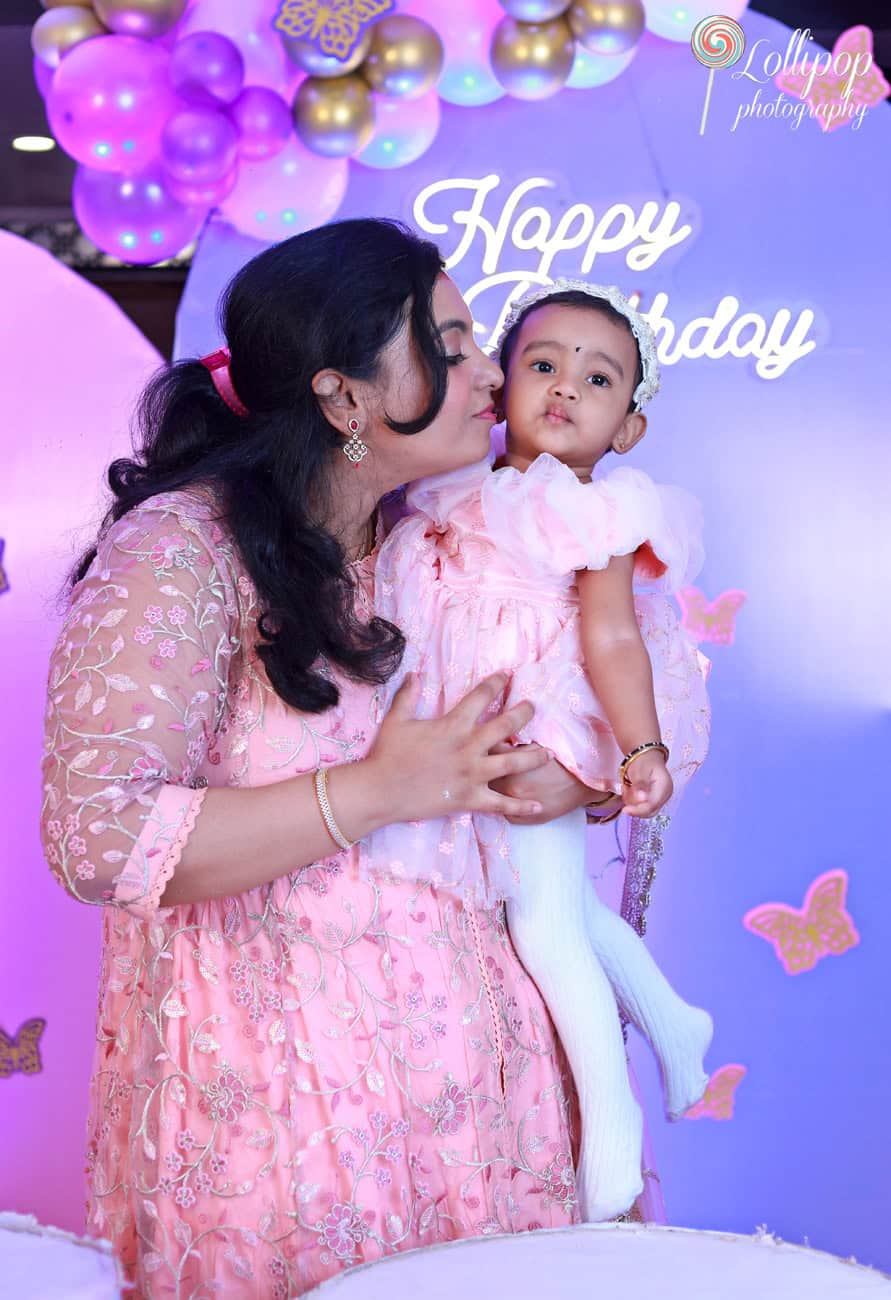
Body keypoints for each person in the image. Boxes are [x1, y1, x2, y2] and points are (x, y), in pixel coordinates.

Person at [39, 223, 656, 1300]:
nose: (489, 369)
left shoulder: (449, 535)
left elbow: (623, 676)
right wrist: (372, 792)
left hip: (486, 1117)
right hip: (290, 1134)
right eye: (452, 341)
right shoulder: (185, 552)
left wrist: (586, 773)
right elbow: (100, 837)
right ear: (344, 397)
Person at [364, 280, 713, 1222]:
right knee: (541, 899)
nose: (564, 388)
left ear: (627, 429)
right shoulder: (450, 488)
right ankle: (675, 1021)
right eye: (543, 365)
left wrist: (639, 746)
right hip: (462, 723)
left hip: (539, 724)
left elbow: (609, 639)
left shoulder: (594, 512)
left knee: (547, 928)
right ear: (498, 382)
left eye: (596, 379)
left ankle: (612, 1148)